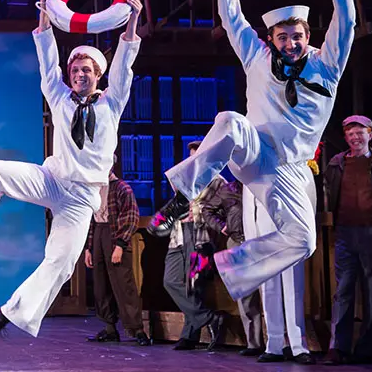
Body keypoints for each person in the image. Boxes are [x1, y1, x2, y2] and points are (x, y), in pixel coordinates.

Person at [147, 0, 355, 302]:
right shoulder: (257, 57)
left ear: (308, 35)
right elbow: (232, 19)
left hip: (288, 168)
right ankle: (181, 198)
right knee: (229, 120)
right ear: (272, 38)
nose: (290, 44)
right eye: (283, 37)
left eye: (297, 36)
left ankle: (218, 265)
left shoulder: (328, 65)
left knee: (304, 241)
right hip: (253, 151)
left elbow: (347, 23)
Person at [0, 0, 142, 351]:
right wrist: (46, 14)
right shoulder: (59, 96)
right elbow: (46, 59)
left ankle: (3, 314)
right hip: (52, 179)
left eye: (87, 69)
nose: (79, 74)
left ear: (98, 75)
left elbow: (126, 60)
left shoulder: (112, 103)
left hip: (82, 198)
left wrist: (131, 16)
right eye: (75, 69)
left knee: (61, 263)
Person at [323, 115, 372, 365]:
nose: (355, 137)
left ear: (370, 134)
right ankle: (338, 347)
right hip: (344, 233)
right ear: (346, 137)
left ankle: (368, 348)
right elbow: (329, 191)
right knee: (343, 290)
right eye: (350, 133)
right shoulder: (337, 163)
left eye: (360, 132)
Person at [159, 142, 228, 351]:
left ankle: (190, 335)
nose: (193, 161)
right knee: (170, 281)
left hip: (200, 236)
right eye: (191, 157)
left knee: (193, 286)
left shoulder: (217, 182)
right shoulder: (185, 179)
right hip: (177, 236)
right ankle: (209, 317)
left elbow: (224, 211)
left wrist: (199, 214)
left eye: (197, 156)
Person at [243, 184, 315, 364]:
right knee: (269, 291)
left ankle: (299, 346)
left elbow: (309, 195)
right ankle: (274, 344)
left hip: (291, 232)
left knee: (294, 290)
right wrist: (251, 238)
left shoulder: (292, 160)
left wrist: (307, 230)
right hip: (263, 236)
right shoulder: (250, 165)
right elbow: (249, 206)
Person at [84, 163, 150, 346]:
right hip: (98, 232)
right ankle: (110, 328)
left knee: (123, 283)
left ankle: (137, 329)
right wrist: (89, 248)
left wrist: (120, 245)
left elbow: (131, 216)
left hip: (114, 234)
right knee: (101, 284)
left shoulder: (122, 187)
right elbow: (90, 219)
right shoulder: (93, 189)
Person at [201, 179, 265, 356]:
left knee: (269, 293)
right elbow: (207, 210)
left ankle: (280, 343)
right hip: (237, 242)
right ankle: (254, 343)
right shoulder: (228, 189)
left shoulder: (261, 184)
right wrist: (222, 226)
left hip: (262, 243)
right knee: (245, 296)